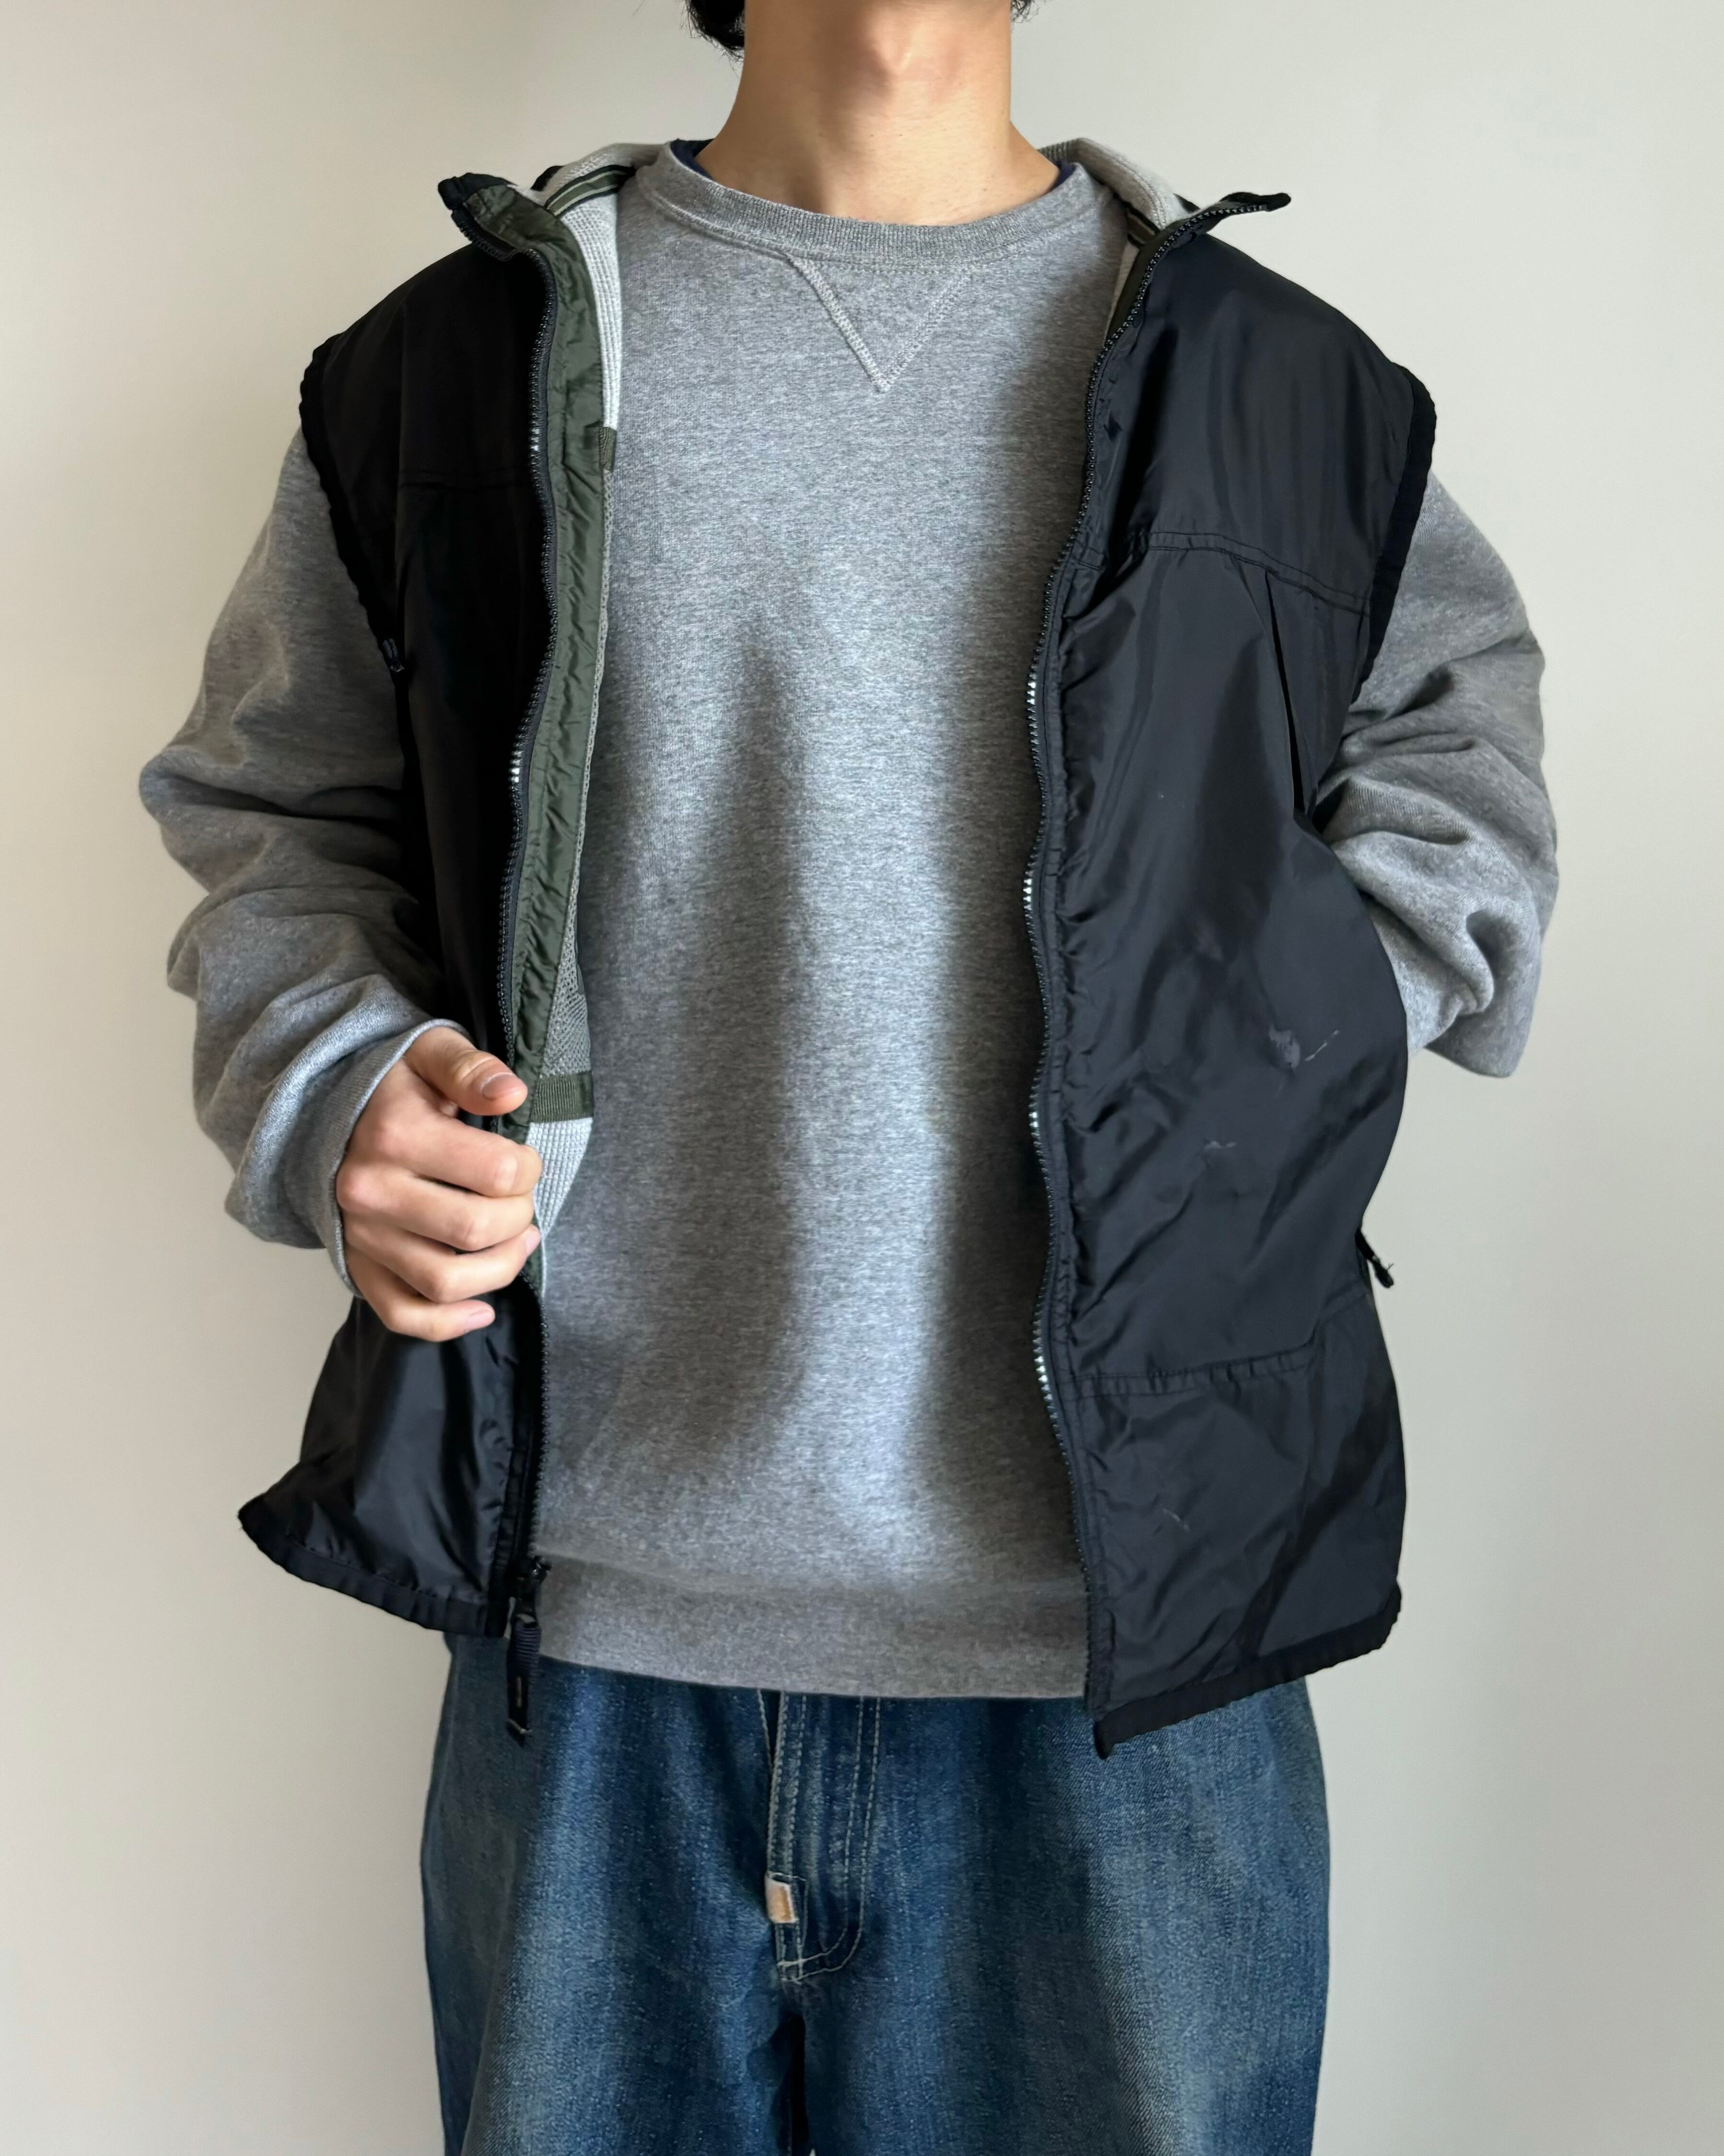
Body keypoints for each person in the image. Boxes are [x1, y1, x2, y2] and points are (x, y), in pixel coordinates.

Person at [141, 0, 1558, 2148]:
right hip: (588, 1650)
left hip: (1127, 1674)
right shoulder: (440, 373)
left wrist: (1255, 1077)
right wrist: (339, 1087)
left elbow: (1461, 791)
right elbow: (272, 812)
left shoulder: (1289, 394)